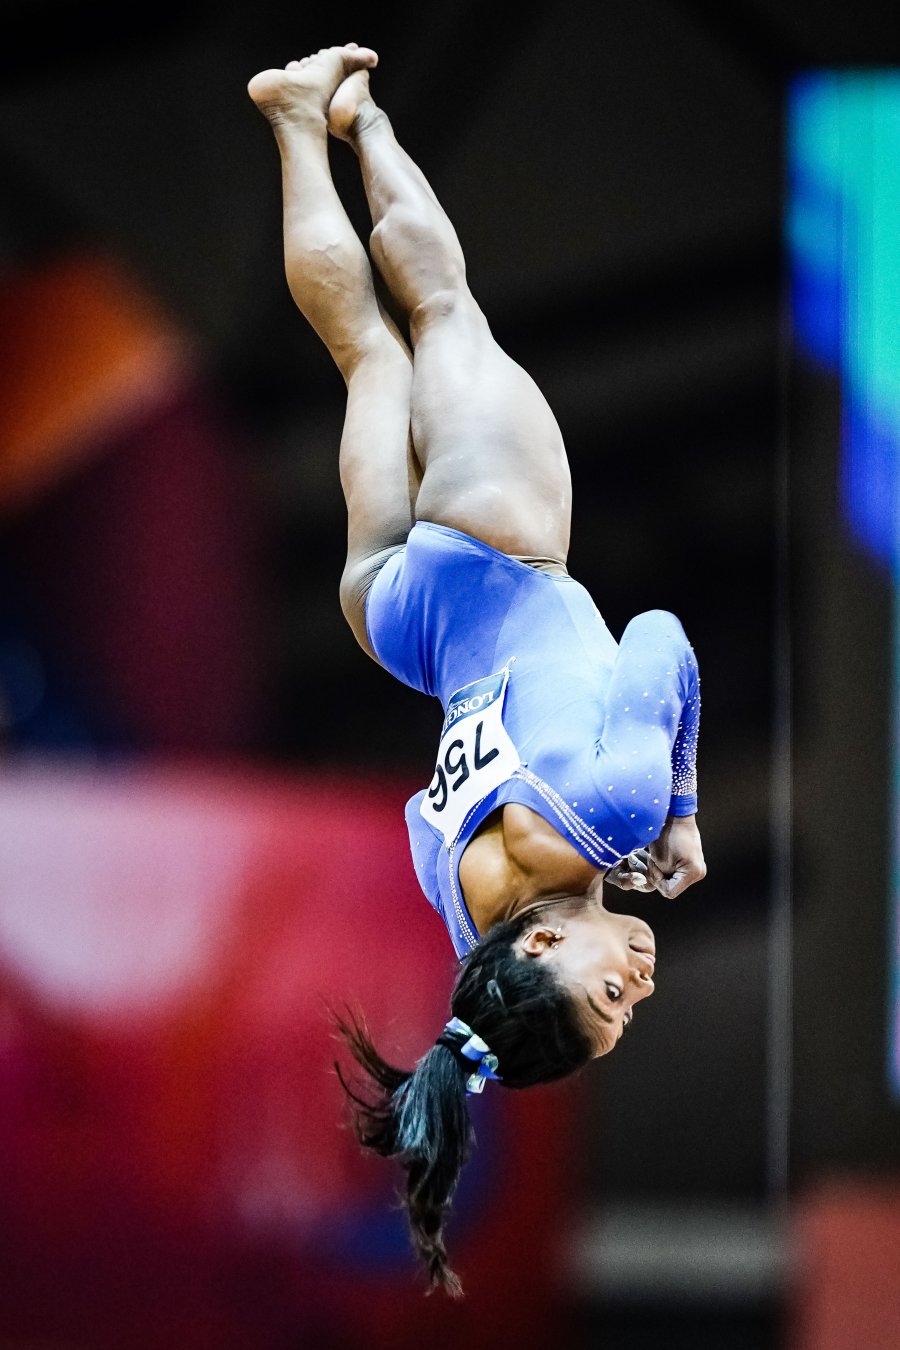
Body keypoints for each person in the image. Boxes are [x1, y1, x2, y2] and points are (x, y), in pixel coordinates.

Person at [248, 43, 706, 1296]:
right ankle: (297, 125)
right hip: (398, 621)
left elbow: (661, 633)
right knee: (367, 356)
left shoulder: (609, 821)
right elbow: (416, 807)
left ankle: (362, 114)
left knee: (443, 306)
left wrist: (677, 808)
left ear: (546, 961)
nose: (637, 991)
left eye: (608, 1004)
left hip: (497, 538)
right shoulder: (464, 915)